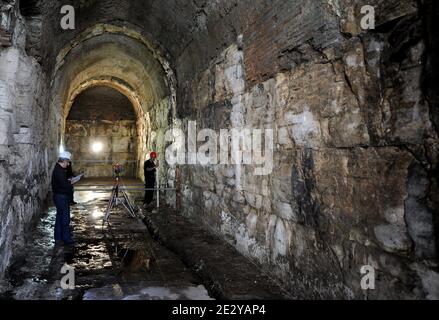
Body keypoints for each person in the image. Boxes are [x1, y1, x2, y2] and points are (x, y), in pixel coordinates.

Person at [51, 151, 74, 246]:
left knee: (59, 218)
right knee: (65, 219)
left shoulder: (58, 169)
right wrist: (71, 183)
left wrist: (67, 181)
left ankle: (58, 238)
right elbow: (65, 186)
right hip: (61, 197)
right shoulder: (59, 170)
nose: (68, 164)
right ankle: (66, 239)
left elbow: (62, 182)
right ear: (64, 161)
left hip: (58, 196)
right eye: (67, 162)